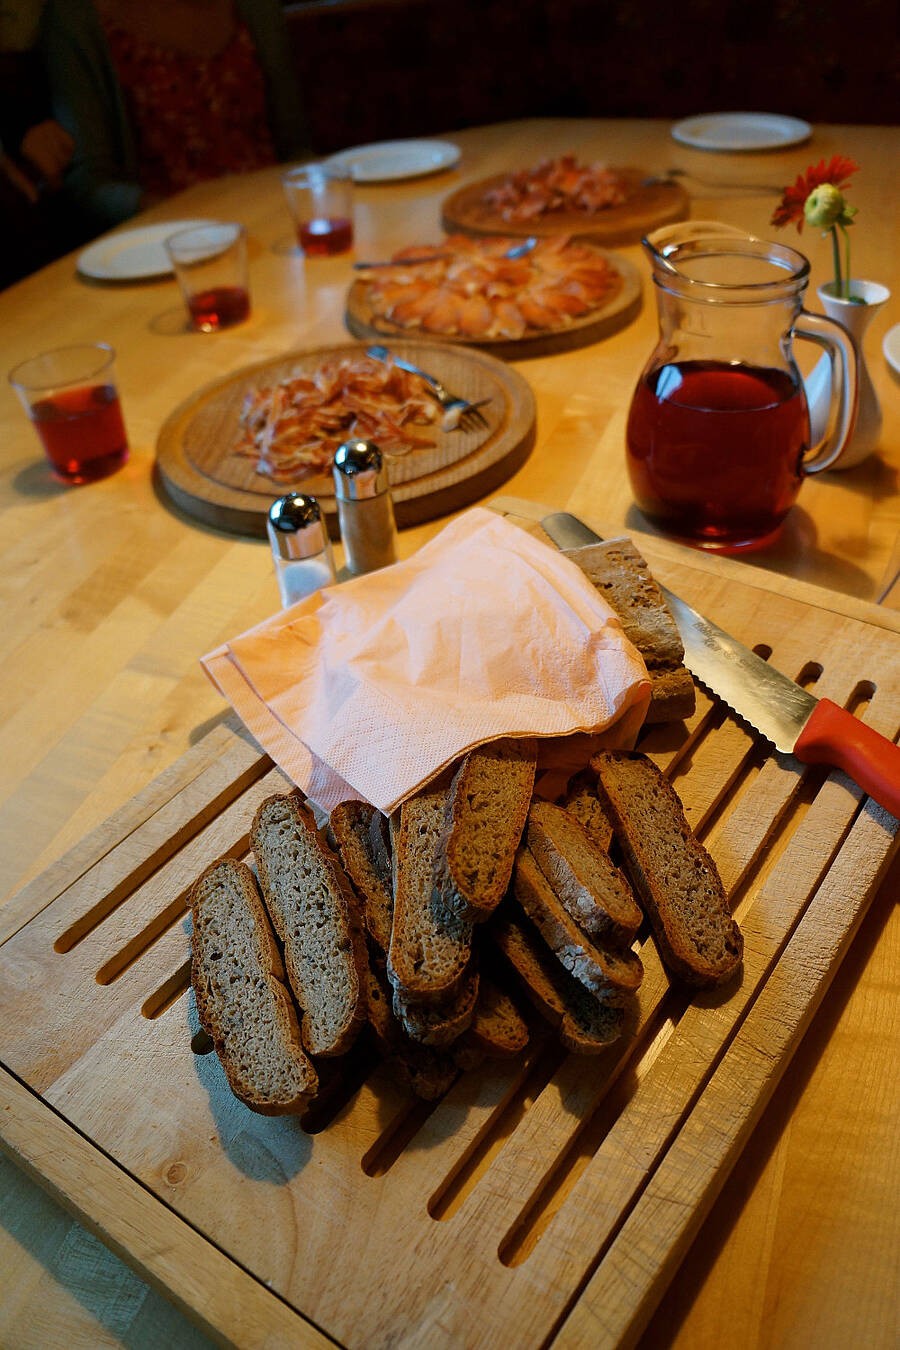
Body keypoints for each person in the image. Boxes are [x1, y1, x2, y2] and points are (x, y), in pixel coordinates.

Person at [38, 0, 309, 234]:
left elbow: (295, 144)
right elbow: (90, 184)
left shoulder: (254, 8)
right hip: (163, 245)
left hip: (278, 221)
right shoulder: (77, 18)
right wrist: (182, 219)